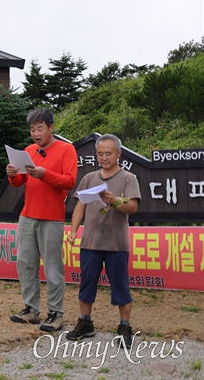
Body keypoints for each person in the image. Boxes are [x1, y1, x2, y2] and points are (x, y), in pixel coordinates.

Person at [6, 108, 78, 332]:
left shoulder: (67, 149)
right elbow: (19, 182)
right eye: (32, 129)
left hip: (52, 217)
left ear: (51, 128)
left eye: (40, 128)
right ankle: (31, 309)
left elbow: (69, 181)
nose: (35, 133)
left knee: (53, 267)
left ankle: (56, 313)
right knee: (25, 263)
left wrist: (44, 173)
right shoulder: (29, 150)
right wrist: (11, 174)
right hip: (27, 215)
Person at [66, 134, 141, 348]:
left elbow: (133, 208)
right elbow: (80, 205)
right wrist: (73, 231)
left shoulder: (128, 178)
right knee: (86, 284)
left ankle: (124, 326)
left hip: (117, 244)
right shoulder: (89, 178)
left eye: (108, 153)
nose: (104, 157)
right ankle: (85, 323)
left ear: (119, 153)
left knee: (120, 286)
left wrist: (116, 201)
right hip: (90, 242)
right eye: (100, 154)